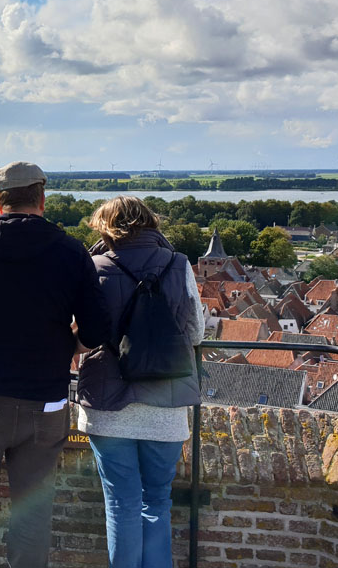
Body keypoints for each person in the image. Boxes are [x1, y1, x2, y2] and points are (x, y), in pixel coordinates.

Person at [0, 161, 112, 568]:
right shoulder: (71, 251)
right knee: (33, 507)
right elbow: (98, 328)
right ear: (42, 200)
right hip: (46, 402)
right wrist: (70, 346)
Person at [76, 196, 204, 568]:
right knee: (157, 502)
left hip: (108, 404)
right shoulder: (178, 265)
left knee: (122, 504)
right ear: (151, 223)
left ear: (104, 228)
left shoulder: (94, 267)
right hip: (166, 400)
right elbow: (194, 332)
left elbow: (82, 337)